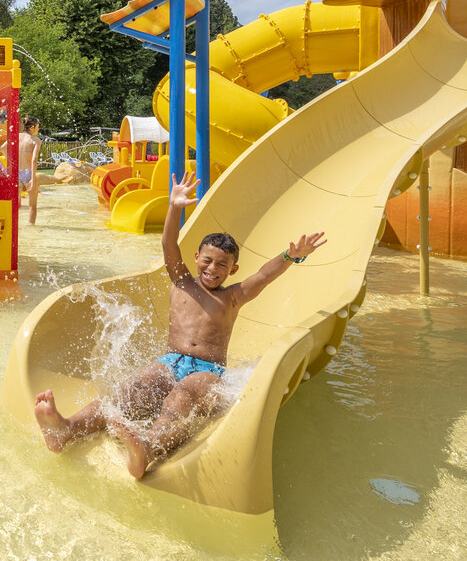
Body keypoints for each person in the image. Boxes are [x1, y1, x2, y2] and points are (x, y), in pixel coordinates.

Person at [32, 171, 326, 478]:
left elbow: (263, 276)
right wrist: (174, 207)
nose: (212, 268)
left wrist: (290, 256)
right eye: (207, 260)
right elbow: (168, 242)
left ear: (233, 269)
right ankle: (67, 429)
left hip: (208, 372)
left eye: (222, 265)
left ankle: (147, 449)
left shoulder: (232, 297)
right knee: (132, 389)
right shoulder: (182, 281)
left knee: (183, 395)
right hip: (170, 361)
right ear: (196, 257)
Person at [18, 117, 43, 224]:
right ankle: (31, 228)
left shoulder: (16, 137)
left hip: (17, 172)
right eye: (37, 127)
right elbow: (34, 159)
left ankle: (14, 227)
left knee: (15, 205)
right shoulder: (36, 141)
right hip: (29, 173)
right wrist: (33, 179)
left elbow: (4, 148)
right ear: (32, 128)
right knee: (32, 206)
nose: (38, 129)